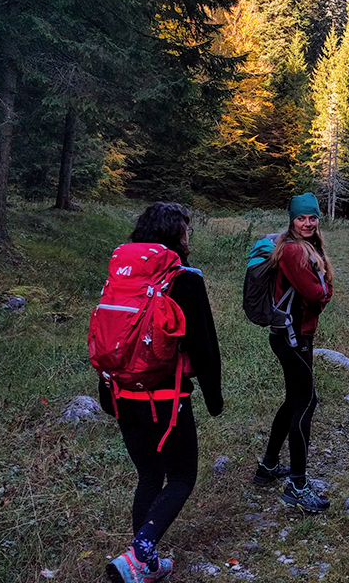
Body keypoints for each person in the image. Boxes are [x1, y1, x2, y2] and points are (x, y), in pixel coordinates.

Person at [103, 202, 223, 583]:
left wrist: (107, 392)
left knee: (149, 478)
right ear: (178, 234)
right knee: (183, 477)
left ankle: (148, 564)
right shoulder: (184, 278)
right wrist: (214, 397)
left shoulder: (122, 276)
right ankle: (137, 557)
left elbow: (112, 336)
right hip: (166, 398)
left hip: (122, 392)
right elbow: (204, 345)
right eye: (186, 230)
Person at [254, 192, 334, 512]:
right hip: (292, 337)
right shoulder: (291, 250)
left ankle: (269, 466)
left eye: (312, 217)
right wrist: (326, 289)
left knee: (294, 400)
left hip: (293, 335)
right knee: (305, 402)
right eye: (301, 218)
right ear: (291, 220)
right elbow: (316, 294)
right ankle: (297, 486)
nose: (307, 223)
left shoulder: (307, 246)